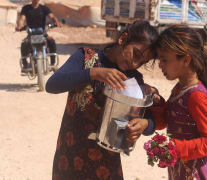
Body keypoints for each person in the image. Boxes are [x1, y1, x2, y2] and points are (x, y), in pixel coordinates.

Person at [45, 20, 158, 180]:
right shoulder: (86, 58)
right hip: (70, 155)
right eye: (136, 54)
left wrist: (144, 125)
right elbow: (52, 85)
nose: (135, 63)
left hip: (106, 165)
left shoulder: (133, 79)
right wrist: (93, 73)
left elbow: (148, 119)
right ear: (123, 39)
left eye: (142, 62)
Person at [150, 25, 207, 180]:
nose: (160, 65)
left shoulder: (196, 95)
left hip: (196, 173)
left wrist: (175, 148)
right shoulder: (180, 88)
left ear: (186, 59)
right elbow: (165, 122)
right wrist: (158, 104)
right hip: (180, 169)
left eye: (164, 60)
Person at [15, 0, 60, 71]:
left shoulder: (44, 8)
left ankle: (53, 64)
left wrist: (56, 22)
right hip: (31, 33)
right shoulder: (26, 8)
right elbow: (22, 19)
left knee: (51, 41)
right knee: (24, 43)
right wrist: (19, 26)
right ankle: (25, 65)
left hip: (42, 33)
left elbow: (52, 16)